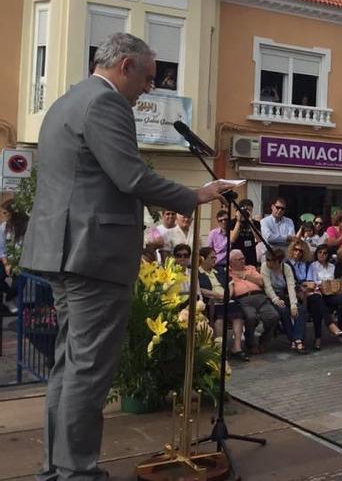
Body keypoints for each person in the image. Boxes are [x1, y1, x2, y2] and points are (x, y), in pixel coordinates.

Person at [20, 32, 232, 481]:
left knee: (70, 364)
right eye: (149, 79)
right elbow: (130, 176)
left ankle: (56, 468)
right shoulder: (106, 103)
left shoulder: (67, 101)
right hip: (92, 255)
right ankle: (76, 471)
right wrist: (196, 194)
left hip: (64, 252)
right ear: (126, 67)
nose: (148, 89)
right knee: (89, 369)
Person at [228, 249, 280, 355]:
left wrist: (245, 276)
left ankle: (264, 340)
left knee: (273, 316)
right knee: (251, 317)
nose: (243, 261)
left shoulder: (250, 268)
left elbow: (261, 281)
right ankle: (251, 344)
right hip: (243, 299)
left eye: (243, 258)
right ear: (231, 262)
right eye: (239, 259)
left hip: (259, 296)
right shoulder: (228, 273)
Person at [261, 248, 307, 354]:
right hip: (272, 296)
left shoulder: (286, 268)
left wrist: (293, 304)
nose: (267, 262)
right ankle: (295, 340)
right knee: (283, 311)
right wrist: (275, 299)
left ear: (278, 261)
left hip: (285, 294)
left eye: (270, 260)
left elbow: (291, 286)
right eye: (267, 259)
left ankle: (297, 338)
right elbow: (267, 287)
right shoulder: (265, 267)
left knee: (301, 310)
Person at [229, 199, 261, 266]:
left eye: (249, 210)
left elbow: (259, 239)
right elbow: (232, 239)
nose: (246, 212)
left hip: (251, 258)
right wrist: (238, 221)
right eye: (244, 210)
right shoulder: (233, 222)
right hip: (236, 258)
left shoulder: (256, 223)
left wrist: (251, 222)